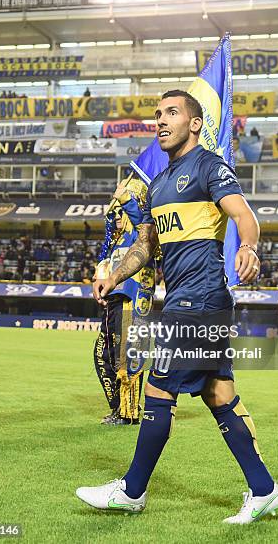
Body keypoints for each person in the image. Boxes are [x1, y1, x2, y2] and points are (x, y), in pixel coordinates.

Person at [77, 90, 278, 524]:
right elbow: (146, 245)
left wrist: (248, 246)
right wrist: (112, 276)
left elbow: (246, 215)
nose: (161, 120)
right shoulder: (157, 184)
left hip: (198, 300)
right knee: (217, 393)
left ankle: (132, 491)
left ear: (194, 123)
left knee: (158, 390)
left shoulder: (209, 166)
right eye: (157, 114)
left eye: (172, 112)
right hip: (193, 302)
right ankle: (264, 490)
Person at [93, 181, 155, 425]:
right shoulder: (118, 241)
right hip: (113, 302)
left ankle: (129, 414)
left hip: (133, 302)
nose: (117, 216)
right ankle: (118, 408)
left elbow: (144, 227)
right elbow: (105, 262)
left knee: (128, 359)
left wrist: (127, 199)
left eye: (121, 211)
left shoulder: (140, 236)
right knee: (102, 356)